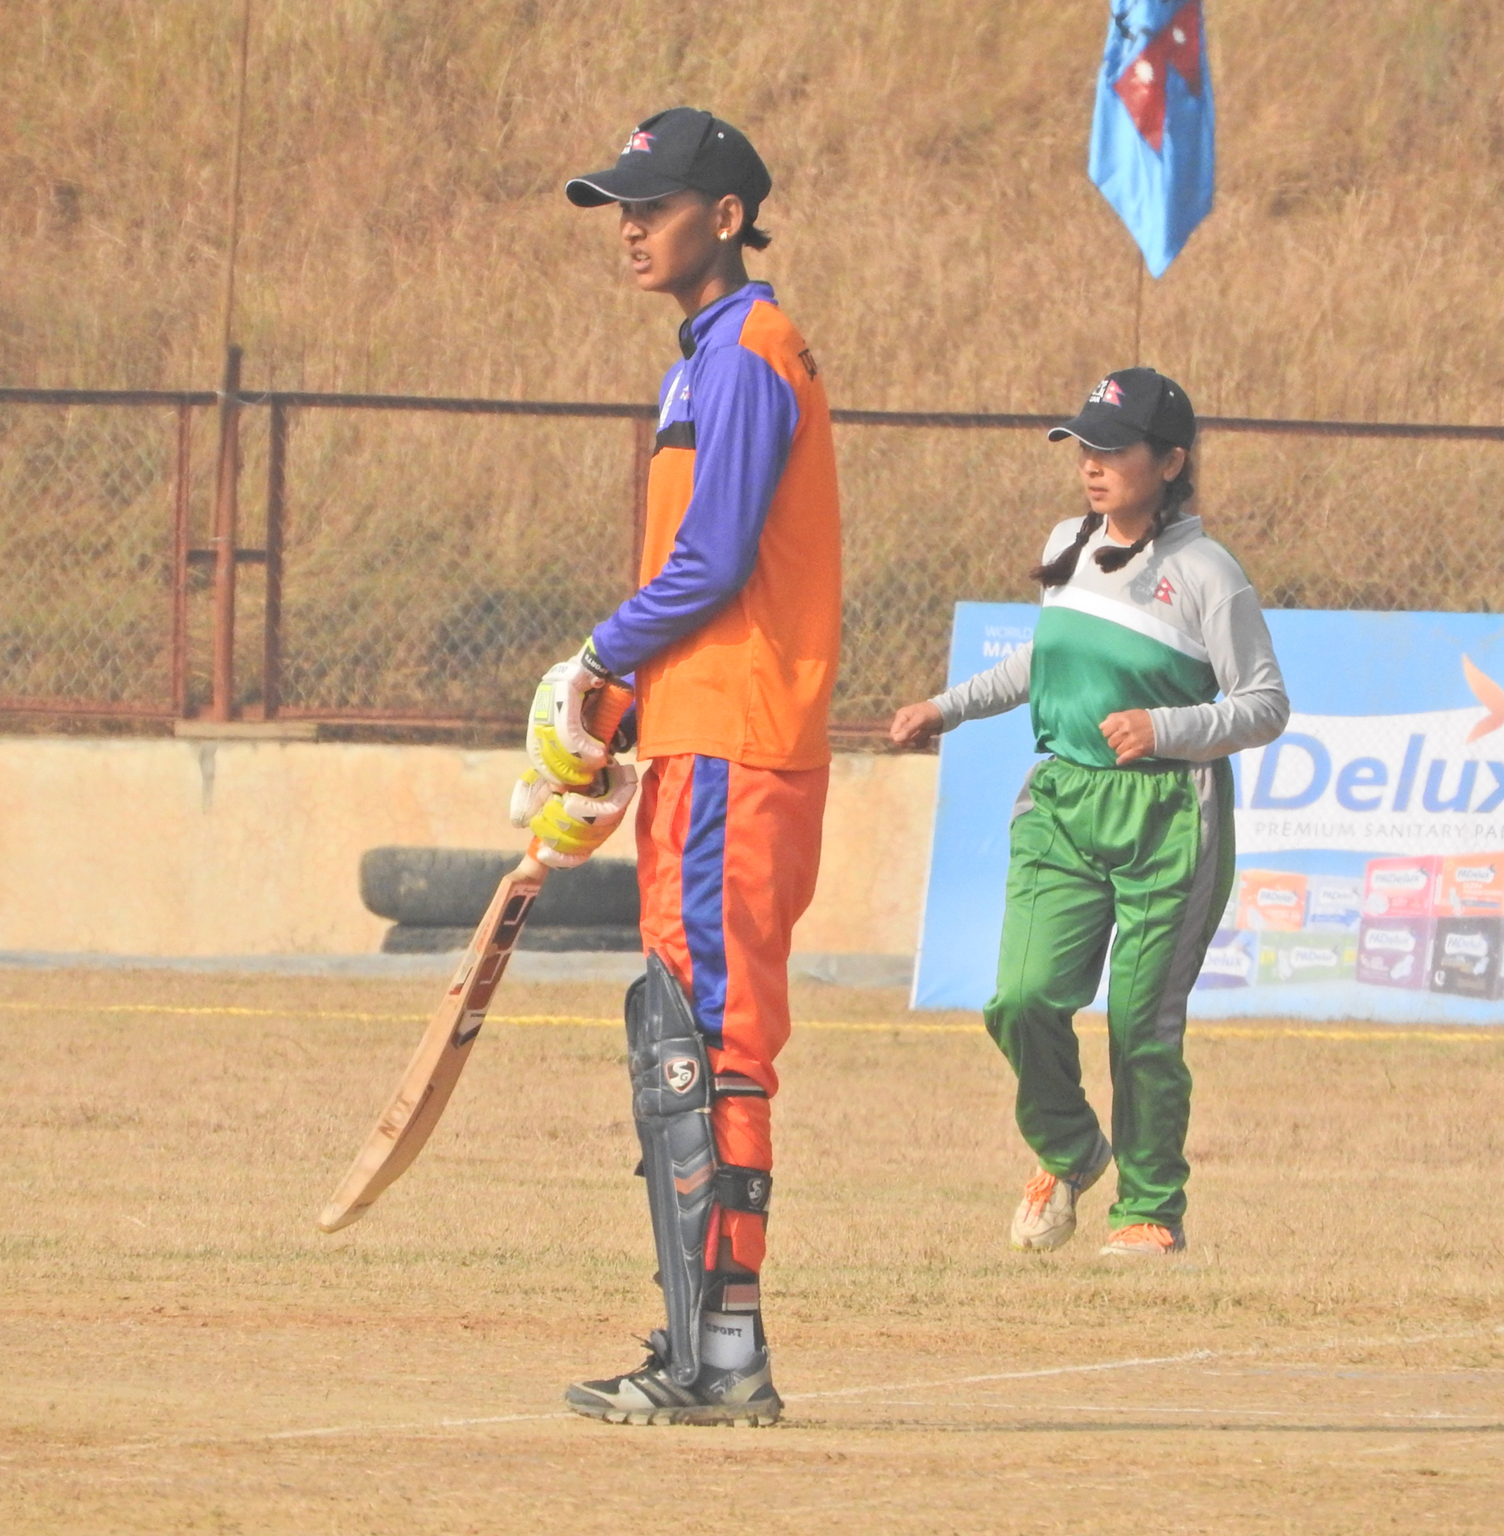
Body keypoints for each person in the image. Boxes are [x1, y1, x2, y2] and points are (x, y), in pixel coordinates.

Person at [512, 108, 839, 1426]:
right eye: (618, 207)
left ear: (725, 212)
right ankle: (707, 1346)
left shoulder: (748, 352)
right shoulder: (703, 357)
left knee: (706, 1047)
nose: (630, 226)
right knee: (686, 1038)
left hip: (737, 739)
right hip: (702, 735)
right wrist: (608, 727)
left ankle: (722, 1361)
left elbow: (707, 567)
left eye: (652, 203)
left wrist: (592, 657)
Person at [889, 369, 1287, 1258]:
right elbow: (1043, 664)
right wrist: (944, 708)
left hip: (1168, 817)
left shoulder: (1207, 573)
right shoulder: (1068, 541)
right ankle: (1070, 1148)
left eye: (1114, 449)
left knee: (1142, 1023)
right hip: (1063, 802)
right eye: (1086, 447)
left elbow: (1265, 704)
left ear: (1171, 460)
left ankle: (1150, 1209)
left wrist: (1170, 726)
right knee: (1022, 1001)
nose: (1092, 465)